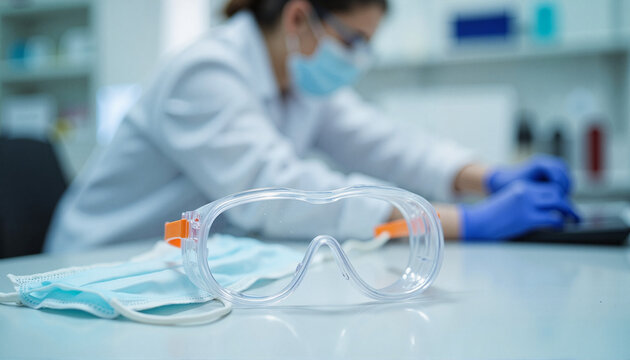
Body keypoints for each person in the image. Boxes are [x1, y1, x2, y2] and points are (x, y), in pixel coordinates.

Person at [44, 0, 579, 253]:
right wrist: (457, 221)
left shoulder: (298, 82)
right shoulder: (204, 71)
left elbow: (386, 143)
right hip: (96, 267)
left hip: (182, 268)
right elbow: (279, 195)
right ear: (299, 18)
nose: (359, 59)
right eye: (353, 40)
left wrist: (482, 177)